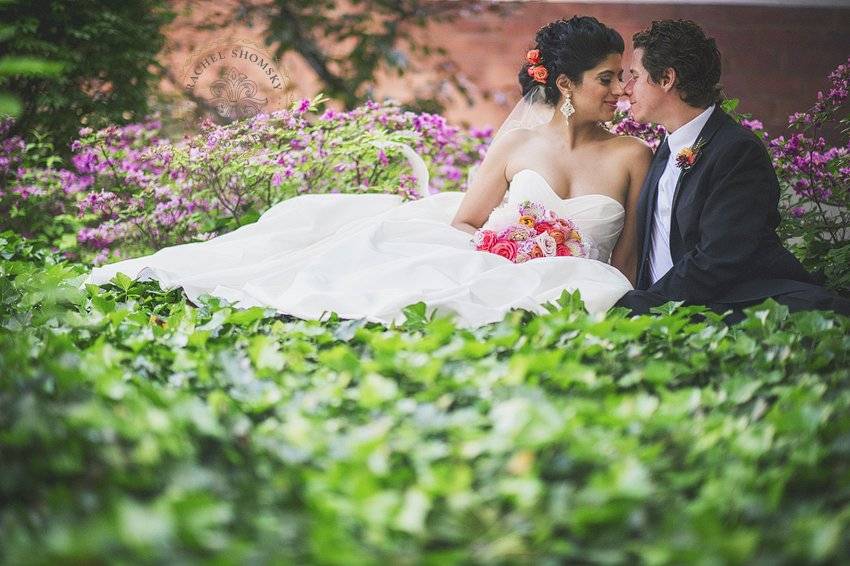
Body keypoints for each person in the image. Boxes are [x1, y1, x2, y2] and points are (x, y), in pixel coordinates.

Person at [86, 16, 651, 329]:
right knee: (362, 278)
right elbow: (466, 223)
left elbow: (626, 261)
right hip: (496, 260)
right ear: (566, 84)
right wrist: (508, 250)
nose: (622, 89)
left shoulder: (632, 155)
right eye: (608, 78)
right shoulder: (519, 144)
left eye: (624, 76)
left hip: (583, 284)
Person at [615, 19, 850, 320]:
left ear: (666, 79)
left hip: (733, 311)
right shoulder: (666, 146)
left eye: (635, 75)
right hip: (670, 311)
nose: (626, 88)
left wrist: (645, 306)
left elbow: (718, 259)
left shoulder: (736, 151)